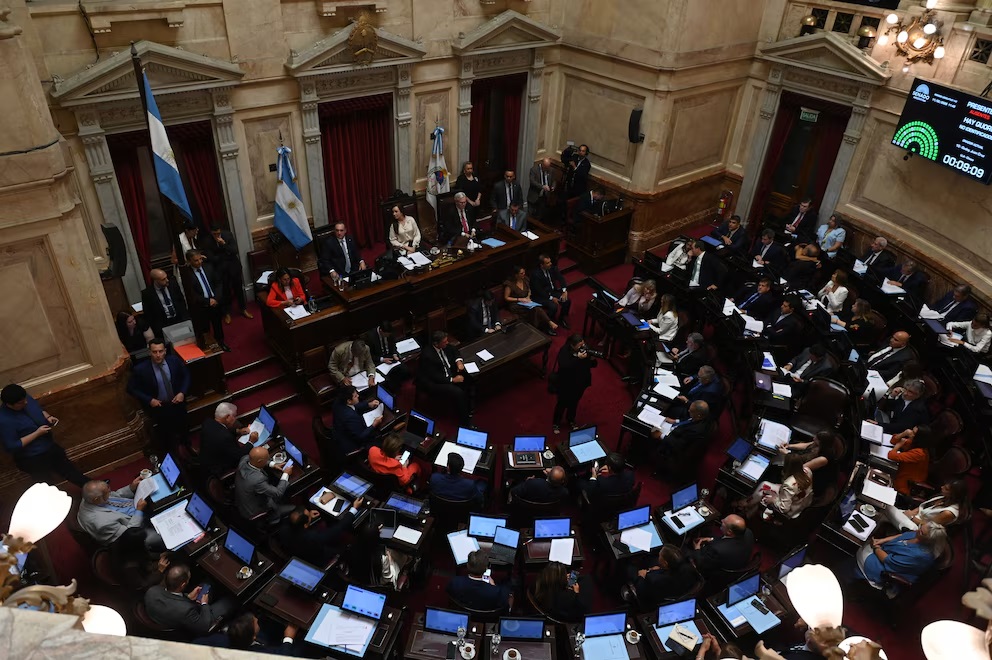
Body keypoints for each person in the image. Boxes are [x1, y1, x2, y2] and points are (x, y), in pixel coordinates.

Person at [0, 383, 88, 488]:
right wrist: (37, 433)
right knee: (46, 485)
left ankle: (96, 488)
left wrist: (48, 416)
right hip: (33, 458)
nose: (26, 402)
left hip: (49, 445)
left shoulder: (24, 398)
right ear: (9, 404)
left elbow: (38, 409)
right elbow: (12, 445)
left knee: (70, 470)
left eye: (25, 399)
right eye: (21, 403)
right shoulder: (4, 420)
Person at [126, 339, 190, 453]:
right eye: (154, 352)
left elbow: (186, 376)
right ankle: (173, 454)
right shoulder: (141, 369)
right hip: (160, 407)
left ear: (165, 351)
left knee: (183, 427)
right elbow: (131, 388)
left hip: (177, 402)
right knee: (166, 434)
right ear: (149, 352)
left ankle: (187, 447)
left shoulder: (174, 361)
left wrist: (182, 392)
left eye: (160, 351)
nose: (158, 355)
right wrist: (149, 399)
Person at [144, 564, 236, 636]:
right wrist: (204, 603)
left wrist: (187, 597)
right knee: (230, 601)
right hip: (195, 621)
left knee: (207, 583)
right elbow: (203, 626)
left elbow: (171, 600)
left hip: (170, 615)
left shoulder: (152, 591)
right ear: (183, 585)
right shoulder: (186, 610)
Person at [856, 521, 947, 589]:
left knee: (860, 548)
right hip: (884, 551)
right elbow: (901, 536)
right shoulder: (919, 535)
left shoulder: (919, 556)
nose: (918, 531)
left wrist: (876, 547)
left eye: (921, 532)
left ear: (929, 540)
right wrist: (882, 540)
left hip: (885, 570)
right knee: (864, 542)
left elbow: (888, 560)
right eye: (920, 527)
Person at [78, 476, 163, 548]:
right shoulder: (102, 523)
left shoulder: (90, 497)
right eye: (107, 492)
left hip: (135, 508)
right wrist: (139, 510)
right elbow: (130, 533)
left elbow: (114, 496)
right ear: (96, 500)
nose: (110, 491)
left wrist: (131, 488)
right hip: (132, 535)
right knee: (162, 536)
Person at [277, 498, 361, 567]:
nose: (310, 513)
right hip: (316, 559)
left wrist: (309, 517)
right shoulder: (312, 537)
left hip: (296, 552)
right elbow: (337, 529)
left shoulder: (283, 528)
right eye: (308, 515)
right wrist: (353, 509)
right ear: (305, 525)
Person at [417, 330, 474, 427]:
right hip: (435, 383)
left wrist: (458, 361)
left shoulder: (445, 346)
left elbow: (454, 350)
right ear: (436, 343)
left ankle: (468, 408)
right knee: (458, 392)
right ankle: (465, 422)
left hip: (447, 373)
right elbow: (434, 376)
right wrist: (452, 380)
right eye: (444, 342)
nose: (447, 343)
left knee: (469, 378)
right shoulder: (428, 356)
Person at [180, 250, 229, 352]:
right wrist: (207, 301)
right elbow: (191, 294)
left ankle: (221, 343)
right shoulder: (187, 275)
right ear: (189, 261)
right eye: (196, 260)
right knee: (204, 329)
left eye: (200, 259)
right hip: (201, 306)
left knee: (218, 325)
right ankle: (209, 347)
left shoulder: (209, 267)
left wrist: (216, 298)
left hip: (215, 303)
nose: (199, 262)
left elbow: (218, 283)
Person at [739, 453, 814, 519]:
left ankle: (747, 505)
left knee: (763, 493)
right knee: (764, 485)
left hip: (792, 508)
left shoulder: (789, 484)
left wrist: (773, 500)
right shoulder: (807, 470)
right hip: (801, 502)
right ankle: (748, 510)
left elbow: (784, 508)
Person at [234, 446, 294, 523]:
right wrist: (286, 474)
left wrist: (273, 464)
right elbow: (278, 493)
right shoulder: (257, 480)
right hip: (254, 510)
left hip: (244, 500)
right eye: (267, 458)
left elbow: (253, 459)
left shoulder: (244, 460)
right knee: (294, 507)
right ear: (260, 461)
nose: (269, 458)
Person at [205, 226, 252, 322]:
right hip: (220, 269)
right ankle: (226, 313)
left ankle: (243, 309)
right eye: (214, 234)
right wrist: (225, 254)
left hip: (233, 267)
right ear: (211, 233)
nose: (216, 236)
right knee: (225, 291)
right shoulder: (208, 241)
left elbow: (234, 250)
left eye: (218, 233)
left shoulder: (227, 235)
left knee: (238, 289)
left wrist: (224, 245)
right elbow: (211, 257)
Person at [551, 334, 596, 433]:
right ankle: (556, 423)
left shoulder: (584, 350)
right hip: (566, 383)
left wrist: (591, 358)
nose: (583, 346)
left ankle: (570, 420)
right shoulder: (564, 351)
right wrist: (577, 358)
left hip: (580, 383)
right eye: (580, 345)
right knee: (561, 403)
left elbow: (592, 365)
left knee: (574, 402)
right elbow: (564, 366)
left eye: (583, 344)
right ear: (572, 345)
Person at [196, 611, 298, 655]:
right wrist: (288, 637)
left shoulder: (215, 639)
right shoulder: (261, 655)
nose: (256, 619)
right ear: (253, 637)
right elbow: (282, 656)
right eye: (256, 622)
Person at [885, 479, 968, 531]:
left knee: (886, 507)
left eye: (946, 488)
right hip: (914, 517)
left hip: (917, 528)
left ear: (953, 494)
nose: (942, 487)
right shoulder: (943, 497)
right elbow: (923, 506)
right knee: (884, 509)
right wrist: (912, 512)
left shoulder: (949, 513)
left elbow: (929, 527)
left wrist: (911, 517)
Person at [629, 546, 699, 607]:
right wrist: (662, 568)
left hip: (654, 599)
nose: (659, 556)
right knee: (651, 559)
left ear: (665, 563)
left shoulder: (653, 579)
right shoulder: (689, 569)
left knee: (629, 568)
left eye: (660, 556)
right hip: (678, 590)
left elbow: (642, 592)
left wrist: (641, 576)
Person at [111, 528, 176, 590]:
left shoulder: (124, 543)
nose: (145, 541)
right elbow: (143, 585)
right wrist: (160, 571)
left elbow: (143, 554)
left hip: (143, 566)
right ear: (137, 545)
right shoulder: (130, 567)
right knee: (173, 579)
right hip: (144, 580)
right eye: (143, 541)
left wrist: (159, 556)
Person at [688, 514, 755, 575]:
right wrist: (711, 539)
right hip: (737, 559)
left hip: (716, 573)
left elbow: (701, 564)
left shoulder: (717, 549)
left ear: (729, 532)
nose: (721, 520)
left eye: (724, 522)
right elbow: (724, 539)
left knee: (685, 553)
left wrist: (697, 549)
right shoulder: (748, 533)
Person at [446, 550, 512, 611]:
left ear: (467, 565)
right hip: (486, 617)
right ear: (486, 569)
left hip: (463, 612)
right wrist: (493, 587)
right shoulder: (497, 592)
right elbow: (505, 603)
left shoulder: (455, 583)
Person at [200, 402, 253, 477]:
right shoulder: (225, 437)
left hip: (206, 460)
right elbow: (239, 456)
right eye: (234, 416)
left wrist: (238, 431)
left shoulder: (207, 422)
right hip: (218, 468)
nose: (235, 419)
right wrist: (251, 441)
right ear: (227, 417)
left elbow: (220, 429)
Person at [504, 265, 558, 335]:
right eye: (521, 273)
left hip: (527, 301)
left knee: (536, 309)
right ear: (516, 275)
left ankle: (538, 328)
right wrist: (519, 299)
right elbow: (506, 297)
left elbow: (530, 289)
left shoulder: (525, 279)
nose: (524, 274)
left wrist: (528, 296)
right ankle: (549, 323)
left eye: (524, 272)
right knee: (536, 309)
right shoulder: (509, 284)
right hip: (516, 304)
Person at [884, 424, 936, 497]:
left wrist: (898, 445)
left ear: (919, 437)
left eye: (913, 433)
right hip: (899, 472)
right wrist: (903, 434)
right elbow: (893, 441)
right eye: (912, 430)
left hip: (905, 485)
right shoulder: (914, 443)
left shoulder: (919, 453)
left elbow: (891, 456)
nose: (909, 433)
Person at [331, 385, 383, 454]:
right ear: (349, 401)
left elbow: (353, 406)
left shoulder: (338, 402)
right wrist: (374, 425)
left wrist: (368, 405)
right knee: (380, 438)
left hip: (339, 432)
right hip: (351, 444)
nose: (358, 396)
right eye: (355, 396)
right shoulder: (350, 416)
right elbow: (361, 437)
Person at [140, 268, 190, 339]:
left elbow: (181, 301)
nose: (167, 280)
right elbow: (148, 313)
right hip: (164, 325)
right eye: (163, 279)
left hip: (179, 320)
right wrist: (157, 328)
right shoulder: (147, 294)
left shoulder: (173, 285)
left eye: (166, 277)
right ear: (156, 281)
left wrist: (186, 318)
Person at [362, 321, 410, 387]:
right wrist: (382, 359)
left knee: (405, 371)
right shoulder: (370, 337)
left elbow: (393, 345)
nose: (388, 336)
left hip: (390, 357)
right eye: (386, 335)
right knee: (387, 379)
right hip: (379, 361)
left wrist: (394, 354)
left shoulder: (390, 333)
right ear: (381, 331)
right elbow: (369, 356)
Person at [530, 254, 571, 328]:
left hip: (552, 292)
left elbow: (561, 278)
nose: (550, 264)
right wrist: (551, 298)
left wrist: (564, 291)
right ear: (542, 265)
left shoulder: (553, 268)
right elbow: (539, 290)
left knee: (567, 300)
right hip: (540, 296)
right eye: (548, 263)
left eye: (550, 262)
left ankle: (561, 319)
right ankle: (547, 325)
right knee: (553, 306)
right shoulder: (535, 274)